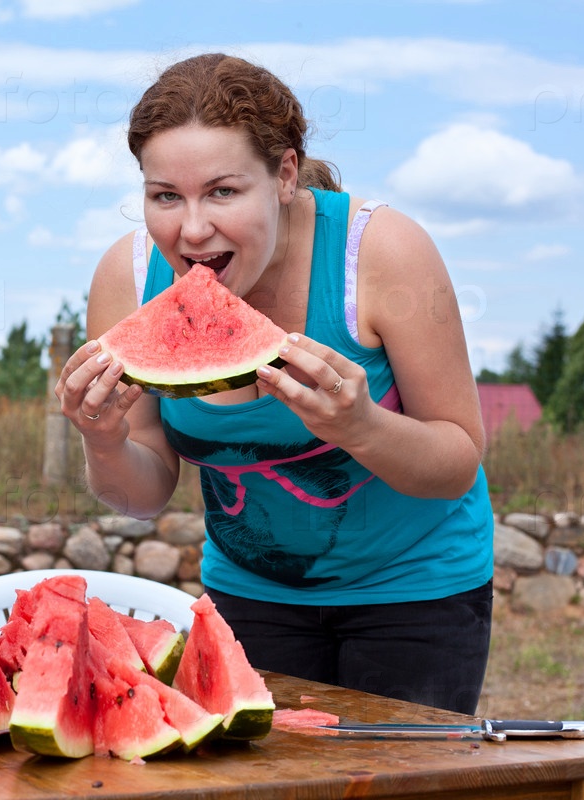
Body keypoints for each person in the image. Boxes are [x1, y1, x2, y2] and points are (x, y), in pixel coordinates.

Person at [54, 53, 494, 715]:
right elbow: (143, 496)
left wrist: (362, 427)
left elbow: (457, 461)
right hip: (249, 593)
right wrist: (104, 440)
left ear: (284, 174)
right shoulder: (128, 277)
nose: (192, 228)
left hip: (415, 589)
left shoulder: (381, 254)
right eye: (165, 195)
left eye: (223, 192)